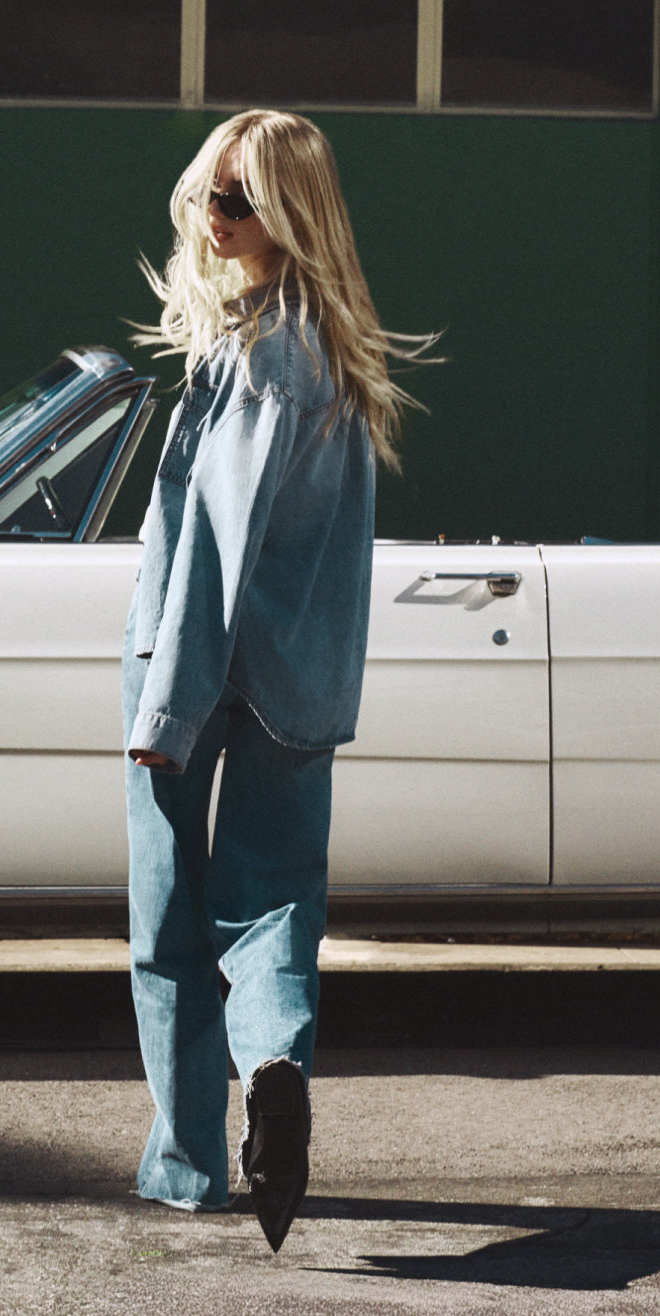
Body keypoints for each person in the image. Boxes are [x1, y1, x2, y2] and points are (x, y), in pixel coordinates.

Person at [122, 109, 434, 1251]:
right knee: (276, 901)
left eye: (239, 198)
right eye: (209, 190)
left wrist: (167, 702)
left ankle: (190, 1161)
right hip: (299, 678)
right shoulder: (334, 350)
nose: (215, 215)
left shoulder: (258, 357)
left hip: (195, 664)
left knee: (169, 917)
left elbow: (215, 542)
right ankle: (273, 1069)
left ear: (289, 212)